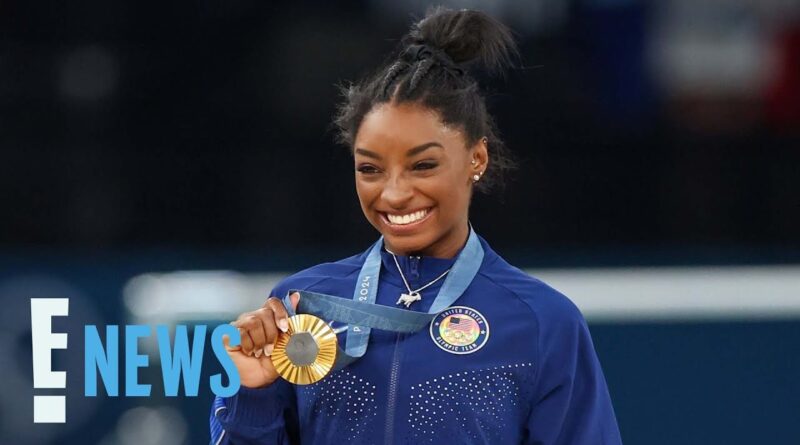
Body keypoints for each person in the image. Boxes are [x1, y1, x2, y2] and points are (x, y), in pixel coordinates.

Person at [210, 7, 621, 445]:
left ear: (475, 159)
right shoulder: (299, 307)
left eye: (423, 165)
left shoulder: (542, 322)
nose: (394, 193)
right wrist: (254, 392)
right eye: (370, 169)